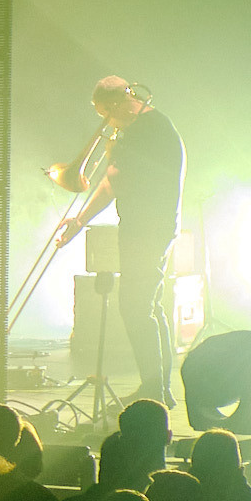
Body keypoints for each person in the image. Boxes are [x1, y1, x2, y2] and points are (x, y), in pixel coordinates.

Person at [52, 77, 185, 405]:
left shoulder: (147, 130)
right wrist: (80, 220)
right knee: (148, 308)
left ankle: (154, 390)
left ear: (119, 104)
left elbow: (114, 183)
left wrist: (82, 218)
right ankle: (159, 389)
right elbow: (114, 183)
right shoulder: (146, 128)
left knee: (135, 308)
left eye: (106, 114)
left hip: (147, 229)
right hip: (149, 227)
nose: (106, 123)